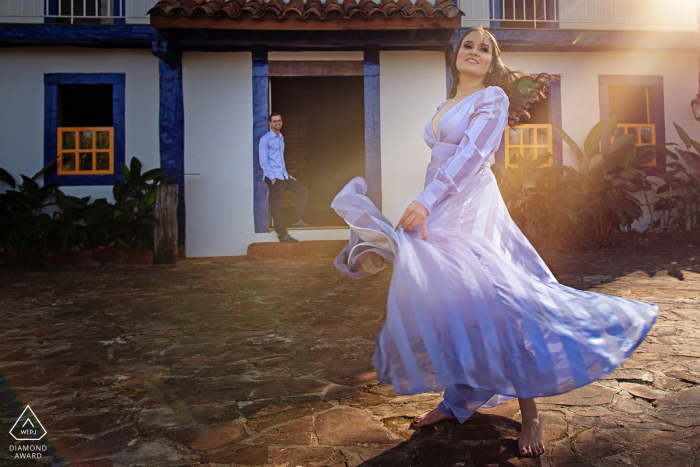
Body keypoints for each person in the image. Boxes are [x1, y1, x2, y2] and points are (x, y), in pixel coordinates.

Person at [331, 26, 659, 458]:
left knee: (496, 296)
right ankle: (456, 401)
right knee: (449, 298)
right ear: (456, 55)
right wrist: (428, 200)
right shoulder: (445, 103)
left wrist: (426, 201)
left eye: (484, 49)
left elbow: (471, 156)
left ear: (492, 62)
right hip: (442, 198)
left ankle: (531, 412)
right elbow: (441, 158)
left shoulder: (493, 99)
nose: (475, 51)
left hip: (468, 200)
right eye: (468, 45)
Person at [259, 113, 312, 243]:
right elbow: (263, 160)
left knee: (303, 191)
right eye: (274, 121)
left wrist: (286, 174)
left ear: (282, 122)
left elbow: (279, 160)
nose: (277, 123)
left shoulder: (280, 137)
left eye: (279, 121)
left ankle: (296, 220)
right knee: (276, 207)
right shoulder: (265, 139)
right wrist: (271, 177)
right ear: (270, 123)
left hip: (282, 176)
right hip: (274, 178)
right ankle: (282, 235)